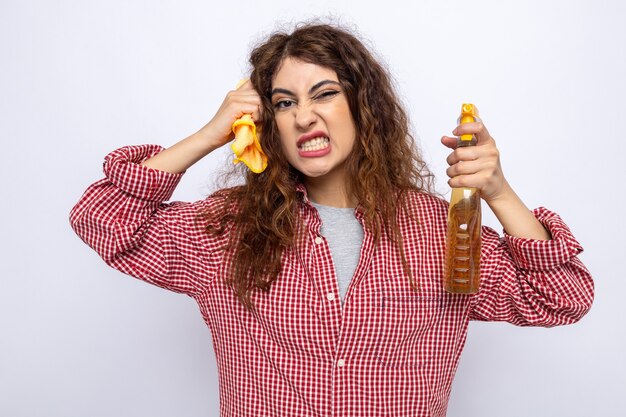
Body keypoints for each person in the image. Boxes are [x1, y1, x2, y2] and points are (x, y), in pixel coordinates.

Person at [69, 22, 594, 417]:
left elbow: (563, 299)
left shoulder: (441, 230)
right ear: (266, 123)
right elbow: (101, 218)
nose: (303, 116)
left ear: (364, 107)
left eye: (324, 93)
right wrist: (210, 135)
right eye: (283, 102)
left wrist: (498, 192)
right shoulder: (228, 230)